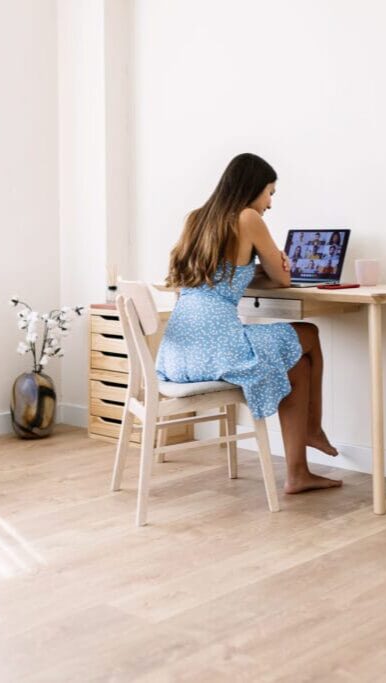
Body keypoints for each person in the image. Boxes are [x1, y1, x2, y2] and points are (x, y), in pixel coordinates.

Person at [158, 153, 341, 493]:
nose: (269, 203)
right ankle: (313, 430)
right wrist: (279, 265)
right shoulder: (247, 217)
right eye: (270, 192)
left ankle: (298, 474)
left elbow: (218, 276)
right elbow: (284, 280)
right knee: (309, 334)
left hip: (177, 356)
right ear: (253, 188)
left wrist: (256, 271)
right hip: (217, 350)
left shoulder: (196, 219)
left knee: (296, 364)